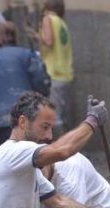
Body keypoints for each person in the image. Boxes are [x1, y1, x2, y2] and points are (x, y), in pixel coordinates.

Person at [0, 22, 50, 157]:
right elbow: (43, 84)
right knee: (30, 170)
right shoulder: (28, 55)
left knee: (0, 172)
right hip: (23, 122)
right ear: (16, 37)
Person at [39, 0, 73, 135]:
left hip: (53, 73)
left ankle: (61, 150)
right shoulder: (62, 23)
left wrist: (37, 35)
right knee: (60, 114)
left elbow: (48, 40)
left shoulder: (48, 19)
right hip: (65, 74)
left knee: (54, 117)